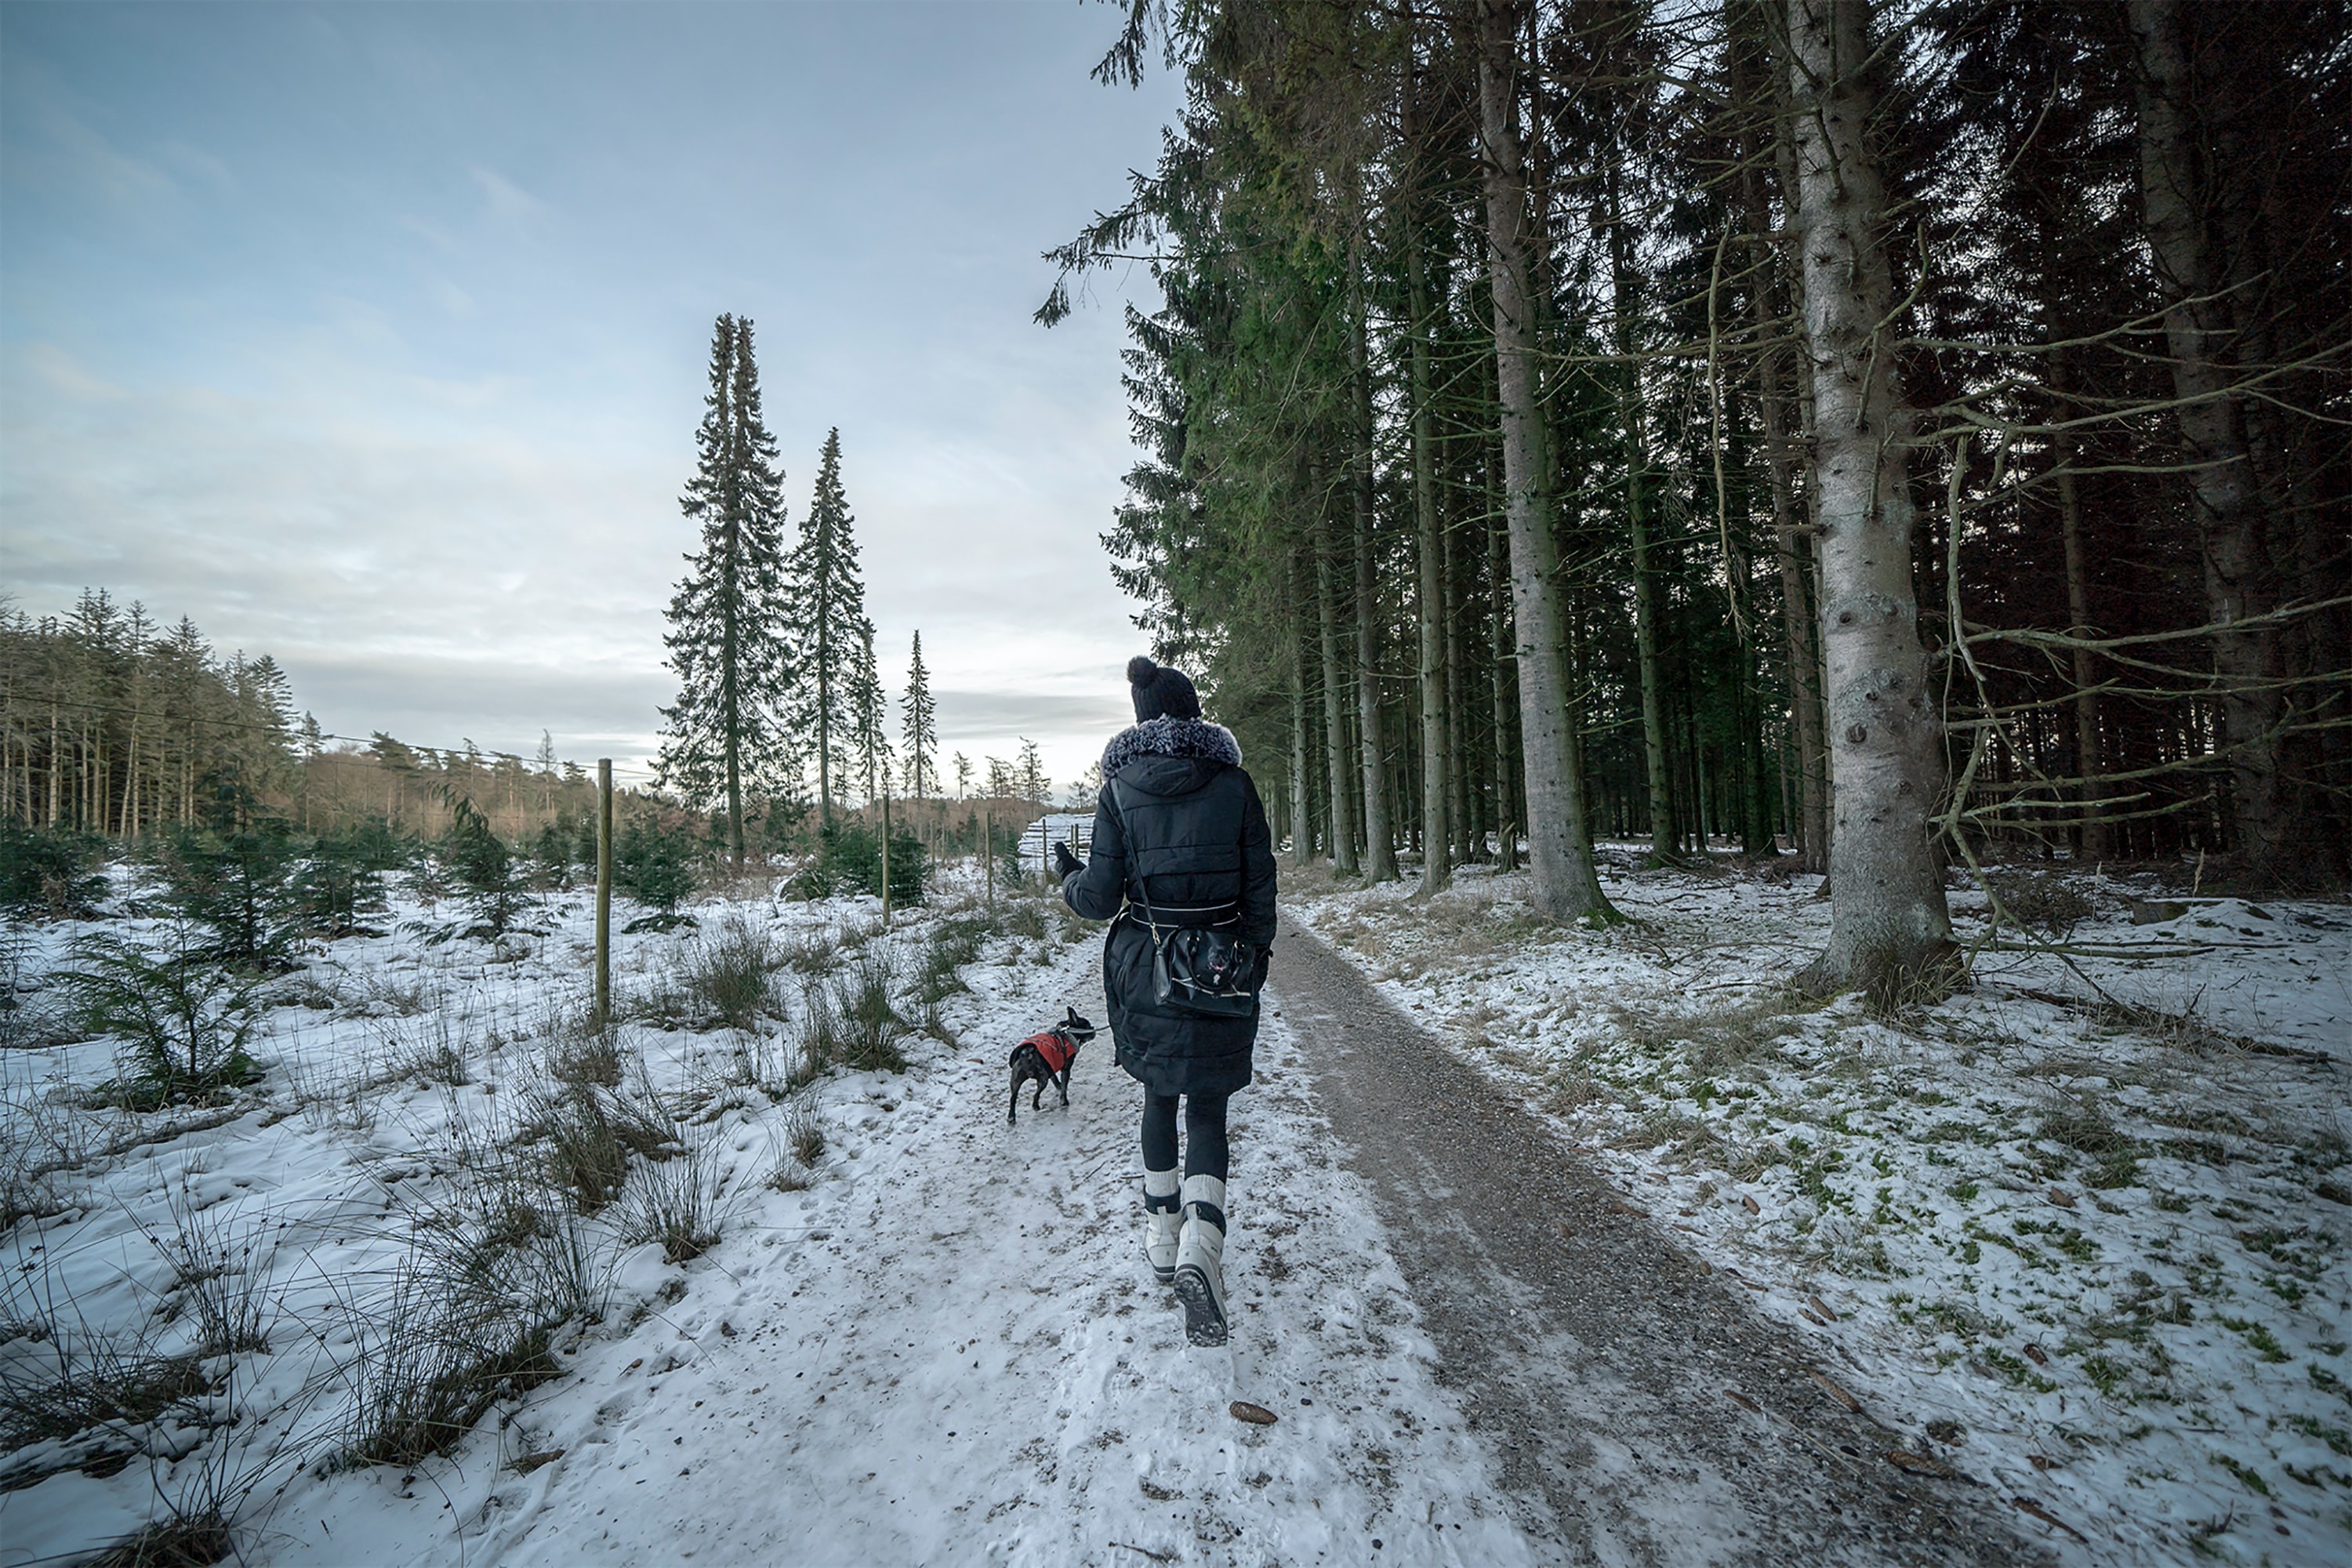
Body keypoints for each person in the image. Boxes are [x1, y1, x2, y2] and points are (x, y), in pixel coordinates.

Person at [1054, 655, 1277, 1347]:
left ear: (1143, 719)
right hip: (1221, 967)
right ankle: (1201, 1251)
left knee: (1159, 1097)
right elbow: (1262, 891)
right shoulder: (1235, 785)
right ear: (1195, 712)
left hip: (1147, 968)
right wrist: (1252, 963)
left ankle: (1161, 1236)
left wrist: (1068, 878)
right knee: (1209, 1106)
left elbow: (1098, 899)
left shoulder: (1119, 789)